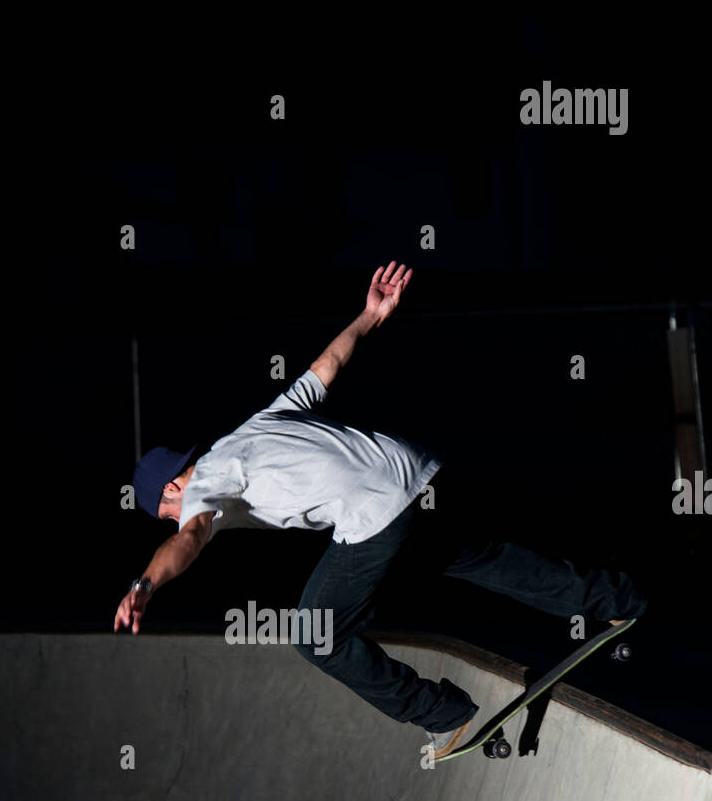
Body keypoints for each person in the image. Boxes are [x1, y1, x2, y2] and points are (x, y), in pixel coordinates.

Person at [114, 262, 646, 758]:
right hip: (414, 471)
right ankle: (612, 599)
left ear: (169, 491)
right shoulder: (253, 427)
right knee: (475, 557)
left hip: (375, 511)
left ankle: (445, 714)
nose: (174, 520)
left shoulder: (204, 484)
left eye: (166, 513)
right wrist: (369, 316)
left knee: (316, 635)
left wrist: (145, 585)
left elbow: (187, 540)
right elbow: (328, 365)